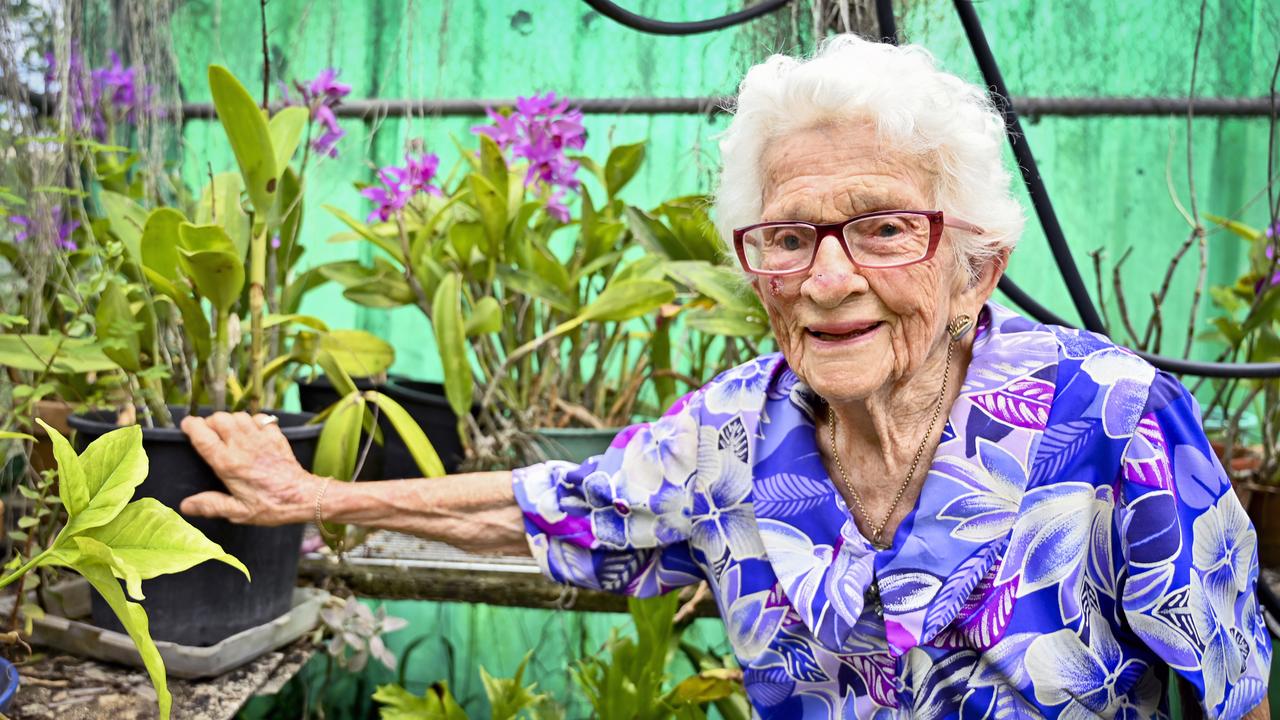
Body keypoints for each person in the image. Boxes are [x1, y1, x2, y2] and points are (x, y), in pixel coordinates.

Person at [180, 35, 1272, 719]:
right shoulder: (730, 436)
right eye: (788, 236)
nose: (827, 277)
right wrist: (315, 499)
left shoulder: (1110, 417)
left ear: (973, 264)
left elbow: (1236, 687)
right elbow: (551, 509)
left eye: (884, 228)